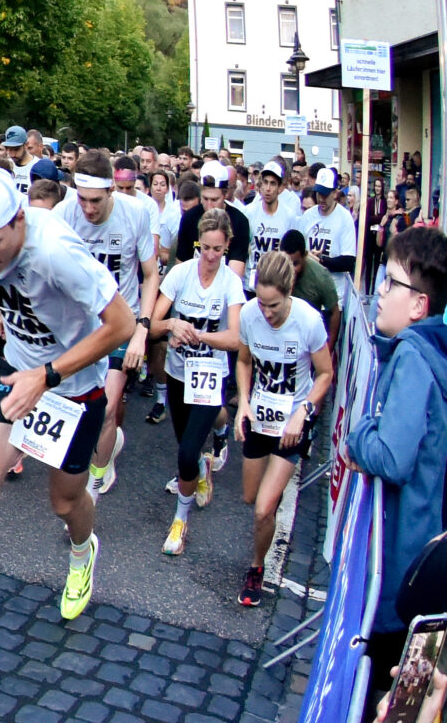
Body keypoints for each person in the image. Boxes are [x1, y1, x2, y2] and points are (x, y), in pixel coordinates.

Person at [0, 166, 132, 692]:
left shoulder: (58, 250)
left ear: (20, 220)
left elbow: (122, 325)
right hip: (17, 375)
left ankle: (84, 550)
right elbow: (3, 278)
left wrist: (51, 374)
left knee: (65, 502)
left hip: (73, 388)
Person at [341, 226, 447, 710]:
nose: (379, 292)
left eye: (390, 283)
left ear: (419, 305)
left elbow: (391, 456)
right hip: (420, 562)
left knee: (381, 698)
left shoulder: (413, 356)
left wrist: (357, 433)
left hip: (400, 572)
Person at [56, 150, 158, 499]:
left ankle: (93, 484)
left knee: (109, 405)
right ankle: (98, 452)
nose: (88, 209)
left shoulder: (135, 215)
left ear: (112, 191)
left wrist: (142, 330)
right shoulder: (64, 213)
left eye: (96, 201)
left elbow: (150, 273)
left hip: (120, 320)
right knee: (75, 406)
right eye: (82, 199)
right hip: (77, 323)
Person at [234, 252, 334, 607]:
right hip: (260, 416)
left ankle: (256, 568)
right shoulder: (249, 315)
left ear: (289, 292)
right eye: (261, 303)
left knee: (262, 509)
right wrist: (243, 402)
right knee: (250, 498)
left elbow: (326, 373)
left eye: (273, 305)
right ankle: (269, 510)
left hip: (292, 423)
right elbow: (244, 362)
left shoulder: (308, 321)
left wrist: (304, 410)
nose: (267, 312)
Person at [150, 207, 245, 555]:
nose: (209, 256)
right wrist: (172, 327)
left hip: (209, 376)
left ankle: (180, 521)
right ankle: (201, 469)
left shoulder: (231, 283)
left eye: (217, 250)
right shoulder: (181, 273)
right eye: (204, 247)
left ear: (227, 248)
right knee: (184, 451)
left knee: (187, 452)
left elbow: (235, 338)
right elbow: (153, 323)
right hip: (177, 373)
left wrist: (199, 336)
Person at [302, 166, 360, 276]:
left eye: (325, 194)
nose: (321, 199)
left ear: (335, 193)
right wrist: (306, 255)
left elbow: (348, 261)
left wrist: (322, 260)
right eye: (319, 194)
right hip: (310, 284)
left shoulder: (344, 218)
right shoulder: (308, 215)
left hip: (334, 287)